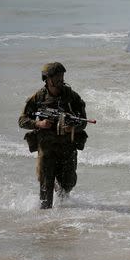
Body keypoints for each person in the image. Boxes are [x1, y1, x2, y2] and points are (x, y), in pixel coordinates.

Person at [19, 63, 89, 209]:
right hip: (46, 149)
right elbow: (22, 120)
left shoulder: (72, 97)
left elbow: (84, 122)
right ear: (47, 79)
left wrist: (72, 128)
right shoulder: (38, 97)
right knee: (46, 188)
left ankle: (63, 214)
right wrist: (40, 124)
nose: (60, 79)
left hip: (67, 147)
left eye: (62, 76)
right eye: (56, 77)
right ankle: (46, 223)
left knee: (68, 184)